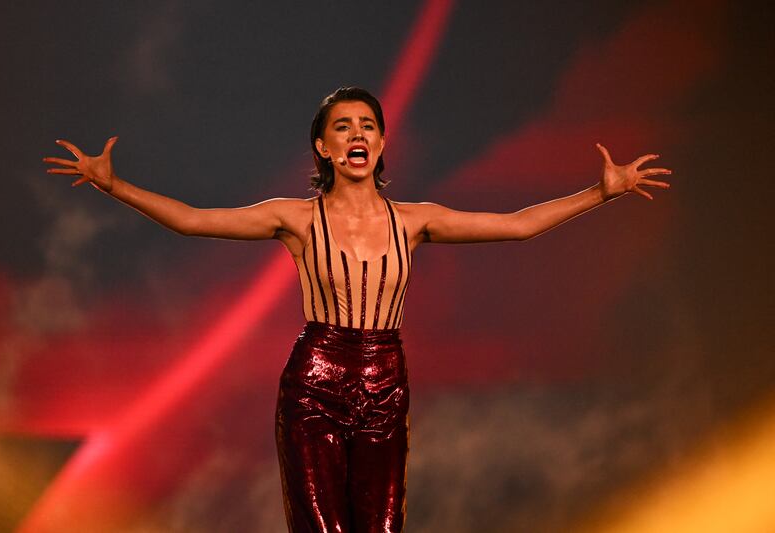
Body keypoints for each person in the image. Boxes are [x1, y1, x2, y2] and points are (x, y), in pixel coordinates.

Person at [43, 86, 671, 533]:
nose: (357, 135)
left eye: (367, 125)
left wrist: (600, 192)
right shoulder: (294, 216)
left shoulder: (416, 220)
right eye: (343, 127)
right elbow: (190, 221)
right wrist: (113, 185)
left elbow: (518, 225)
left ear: (381, 141)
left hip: (386, 382)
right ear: (322, 146)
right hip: (315, 382)